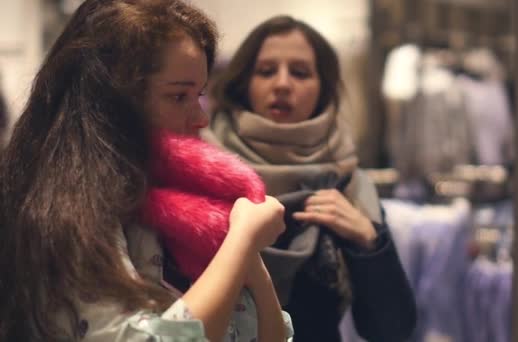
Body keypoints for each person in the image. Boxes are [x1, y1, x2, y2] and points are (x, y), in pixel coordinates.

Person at [0, 1, 292, 341]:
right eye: (178, 96)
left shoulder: (187, 199)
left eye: (198, 95)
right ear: (111, 100)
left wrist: (247, 253)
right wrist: (241, 241)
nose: (201, 118)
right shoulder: (72, 211)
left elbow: (270, 335)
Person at [205, 15, 417, 342]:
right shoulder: (203, 170)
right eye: (266, 71)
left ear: (323, 89)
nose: (282, 84)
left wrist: (368, 242)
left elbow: (392, 330)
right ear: (244, 82)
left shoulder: (348, 184)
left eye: (300, 73)